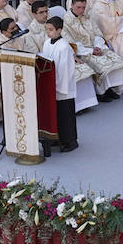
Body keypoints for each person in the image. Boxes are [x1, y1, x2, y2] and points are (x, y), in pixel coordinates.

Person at [64, 0, 123, 101]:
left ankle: (111, 88)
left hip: (96, 47)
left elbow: (97, 33)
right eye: (78, 7)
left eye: (83, 7)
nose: (81, 10)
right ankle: (101, 93)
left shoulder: (87, 16)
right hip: (83, 52)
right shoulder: (65, 22)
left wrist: (98, 46)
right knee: (101, 64)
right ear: (71, 5)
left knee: (115, 59)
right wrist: (91, 50)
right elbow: (71, 43)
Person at [39, 18, 80, 154]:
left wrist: (57, 86)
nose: (48, 32)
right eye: (47, 30)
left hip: (63, 87)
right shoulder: (46, 43)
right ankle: (57, 137)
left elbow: (64, 70)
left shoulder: (64, 46)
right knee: (55, 115)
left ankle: (70, 141)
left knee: (65, 115)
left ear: (59, 30)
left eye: (51, 30)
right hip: (51, 86)